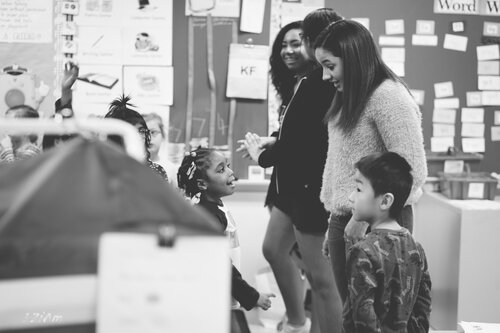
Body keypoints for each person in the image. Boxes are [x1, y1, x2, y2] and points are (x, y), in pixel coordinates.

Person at [240, 11, 343, 333]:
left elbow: (311, 142)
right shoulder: (301, 83)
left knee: (321, 278)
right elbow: (296, 131)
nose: (288, 50)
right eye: (283, 45)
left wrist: (264, 155)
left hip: (310, 185)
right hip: (291, 183)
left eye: (297, 43)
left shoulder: (323, 82)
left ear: (315, 45)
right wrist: (273, 141)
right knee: (274, 249)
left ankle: (306, 322)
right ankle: (298, 321)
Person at [313, 19, 428, 304]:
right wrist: (336, 223)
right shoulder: (350, 98)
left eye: (330, 65)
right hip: (349, 219)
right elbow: (343, 168)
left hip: (378, 221)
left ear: (352, 58)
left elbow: (410, 169)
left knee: (377, 315)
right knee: (353, 314)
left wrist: (359, 219)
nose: (326, 76)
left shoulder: (388, 97)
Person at [177, 147, 276, 330]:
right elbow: (222, 266)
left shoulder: (214, 209)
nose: (231, 172)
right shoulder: (208, 216)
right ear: (202, 184)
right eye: (221, 169)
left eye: (228, 166)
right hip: (212, 299)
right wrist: (252, 296)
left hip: (220, 296)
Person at [344, 152, 431, 332]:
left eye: (359, 189)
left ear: (385, 201)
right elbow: (423, 307)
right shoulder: (417, 249)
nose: (350, 197)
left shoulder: (362, 252)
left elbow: (363, 318)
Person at [104, 95, 169, 181]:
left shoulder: (156, 172)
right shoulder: (102, 171)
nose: (138, 137)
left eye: (141, 131)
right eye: (131, 132)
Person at [142, 112, 177, 185]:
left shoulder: (171, 169)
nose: (149, 138)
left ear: (163, 135)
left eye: (153, 132)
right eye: (143, 132)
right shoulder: (132, 165)